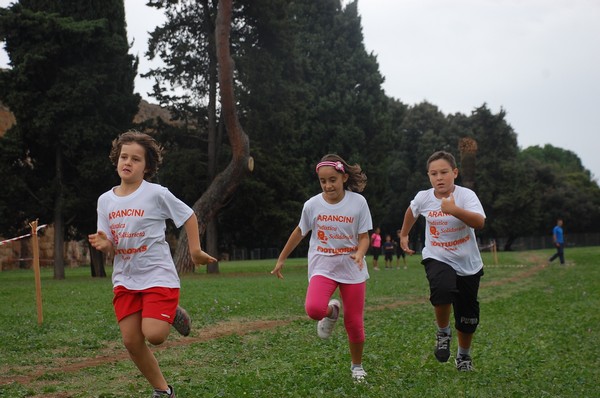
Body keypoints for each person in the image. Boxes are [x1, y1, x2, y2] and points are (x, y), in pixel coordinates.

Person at [88, 130, 217, 398]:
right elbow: (109, 241)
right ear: (116, 159)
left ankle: (171, 312)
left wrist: (195, 251)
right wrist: (105, 245)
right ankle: (163, 391)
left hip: (158, 275)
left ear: (147, 166)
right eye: (124, 157)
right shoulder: (105, 200)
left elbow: (188, 215)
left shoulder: (156, 194)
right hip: (125, 278)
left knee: (155, 335)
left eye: (136, 159)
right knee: (132, 341)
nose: (128, 163)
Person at [271, 154, 372, 382]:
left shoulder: (358, 203)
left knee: (354, 322)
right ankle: (331, 311)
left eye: (333, 179)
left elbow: (364, 237)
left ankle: (357, 366)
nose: (328, 185)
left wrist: (360, 253)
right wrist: (281, 258)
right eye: (323, 181)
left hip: (351, 267)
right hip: (323, 265)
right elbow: (299, 232)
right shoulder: (312, 205)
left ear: (344, 177)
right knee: (314, 309)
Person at [399, 150, 486, 372]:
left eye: (444, 172)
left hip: (468, 263)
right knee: (442, 289)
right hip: (437, 255)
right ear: (428, 176)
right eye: (434, 173)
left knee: (468, 318)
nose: (439, 178)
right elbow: (412, 211)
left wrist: (454, 210)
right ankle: (443, 332)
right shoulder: (424, 197)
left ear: (454, 173)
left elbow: (479, 223)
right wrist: (404, 234)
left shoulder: (466, 196)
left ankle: (463, 356)